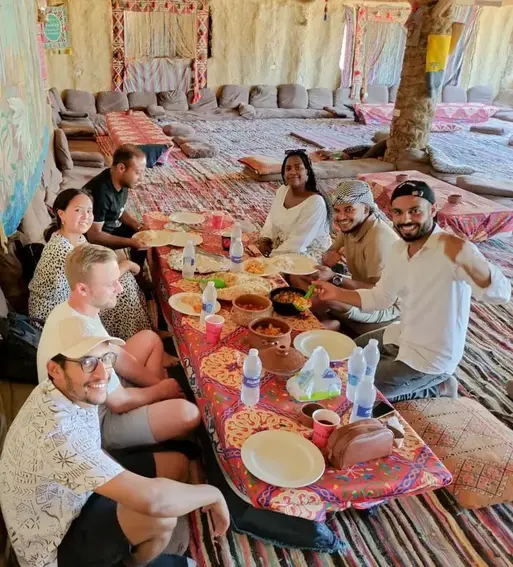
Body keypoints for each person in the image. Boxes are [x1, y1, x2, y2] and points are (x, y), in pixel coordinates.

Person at [0, 322, 229, 567]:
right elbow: (154, 501)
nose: (103, 374)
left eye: (105, 359)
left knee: (176, 466)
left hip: (76, 495)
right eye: (87, 362)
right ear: (55, 369)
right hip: (56, 546)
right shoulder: (58, 434)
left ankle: (130, 544)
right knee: (162, 517)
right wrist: (213, 494)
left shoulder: (63, 389)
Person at [314, 180, 511, 401]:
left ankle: (439, 386)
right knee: (343, 360)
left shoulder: (454, 249)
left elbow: (501, 294)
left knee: (357, 391)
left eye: (415, 211)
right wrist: (336, 293)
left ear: (433, 210)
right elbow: (381, 297)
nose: (405, 219)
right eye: (398, 212)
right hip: (400, 334)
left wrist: (469, 259)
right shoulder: (399, 249)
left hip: (430, 358)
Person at [37, 243, 201, 450]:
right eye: (110, 284)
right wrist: (161, 390)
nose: (120, 288)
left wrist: (156, 384)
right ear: (82, 289)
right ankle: (157, 434)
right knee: (189, 413)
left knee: (149, 338)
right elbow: (119, 402)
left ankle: (156, 409)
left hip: (105, 392)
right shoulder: (83, 335)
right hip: (98, 422)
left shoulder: (74, 309)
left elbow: (116, 353)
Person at [28, 188, 151, 341]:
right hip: (53, 319)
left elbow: (97, 267)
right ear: (61, 214)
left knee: (122, 283)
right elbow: (99, 280)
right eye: (78, 210)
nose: (86, 216)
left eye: (89, 211)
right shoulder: (61, 249)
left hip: (74, 301)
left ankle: (142, 332)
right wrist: (127, 264)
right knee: (121, 290)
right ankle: (136, 340)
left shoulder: (76, 237)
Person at [301, 180, 400, 329]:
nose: (341, 217)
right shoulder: (351, 225)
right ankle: (313, 319)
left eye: (349, 209)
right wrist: (329, 258)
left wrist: (335, 278)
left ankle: (304, 323)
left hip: (385, 305)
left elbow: (379, 294)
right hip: (360, 289)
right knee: (301, 275)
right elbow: (329, 255)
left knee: (326, 298)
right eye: (337, 210)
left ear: (365, 209)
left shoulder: (378, 239)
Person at [257, 149, 332, 262]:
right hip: (283, 245)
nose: (292, 172)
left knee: (279, 269)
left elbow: (298, 243)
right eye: (288, 169)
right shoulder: (282, 191)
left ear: (307, 172)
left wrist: (271, 257)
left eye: (298, 168)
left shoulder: (315, 202)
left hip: (305, 250)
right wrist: (265, 240)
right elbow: (271, 220)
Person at [85, 144, 148, 268]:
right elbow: (94, 236)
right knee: (136, 241)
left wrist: (138, 227)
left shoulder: (121, 181)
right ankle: (132, 269)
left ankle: (137, 271)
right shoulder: (101, 192)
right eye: (138, 173)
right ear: (121, 168)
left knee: (142, 236)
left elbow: (119, 210)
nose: (142, 178)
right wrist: (131, 242)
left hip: (109, 227)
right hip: (93, 241)